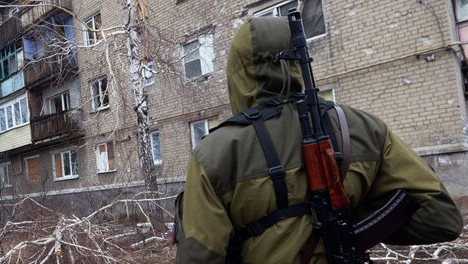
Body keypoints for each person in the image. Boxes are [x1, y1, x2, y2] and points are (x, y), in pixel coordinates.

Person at [174, 16, 463, 263]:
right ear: (299, 61)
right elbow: (441, 218)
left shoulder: (214, 153)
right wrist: (352, 216)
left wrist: (333, 217)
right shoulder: (365, 128)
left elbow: (199, 255)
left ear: (238, 73)